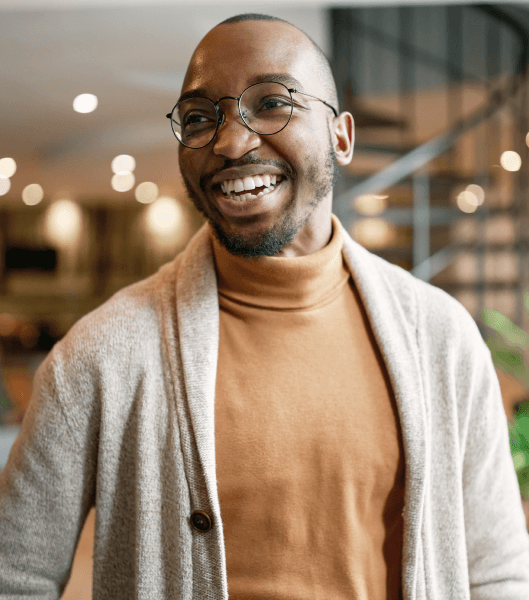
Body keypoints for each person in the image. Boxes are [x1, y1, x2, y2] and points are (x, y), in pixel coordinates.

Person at [0, 12, 528, 600]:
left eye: (273, 102)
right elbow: (15, 578)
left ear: (342, 136)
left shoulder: (442, 338)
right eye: (201, 117)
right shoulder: (98, 357)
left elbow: (497, 574)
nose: (230, 142)